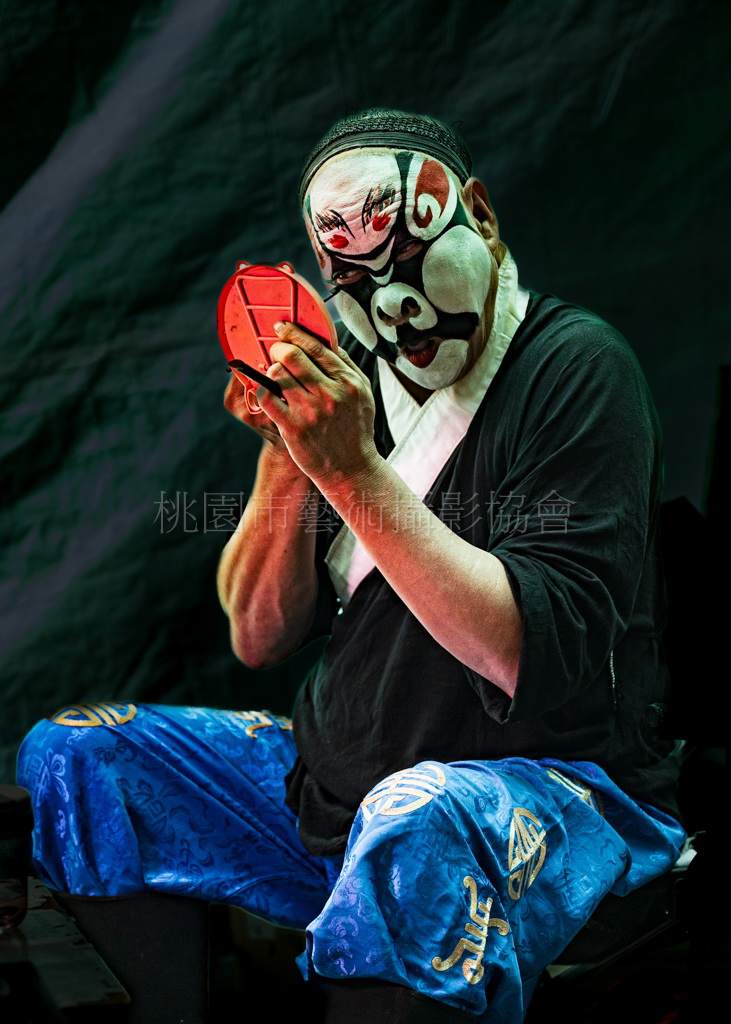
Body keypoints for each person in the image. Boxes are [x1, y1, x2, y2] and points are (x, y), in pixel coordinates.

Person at [17, 109, 685, 1024]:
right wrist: (286, 450)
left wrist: (352, 471)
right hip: (342, 786)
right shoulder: (351, 380)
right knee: (81, 754)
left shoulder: (574, 368)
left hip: (550, 796)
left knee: (416, 821)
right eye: (358, 279)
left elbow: (525, 657)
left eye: (410, 254)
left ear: (482, 217)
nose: (395, 302)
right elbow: (258, 635)